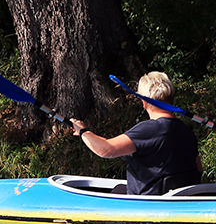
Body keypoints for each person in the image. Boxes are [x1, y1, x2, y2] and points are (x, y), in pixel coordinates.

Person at [70, 71, 201, 195]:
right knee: (119, 189)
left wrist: (83, 131)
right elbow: (198, 169)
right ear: (172, 99)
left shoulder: (149, 129)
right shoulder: (186, 130)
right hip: (177, 199)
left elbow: (105, 149)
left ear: (144, 103)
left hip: (146, 203)